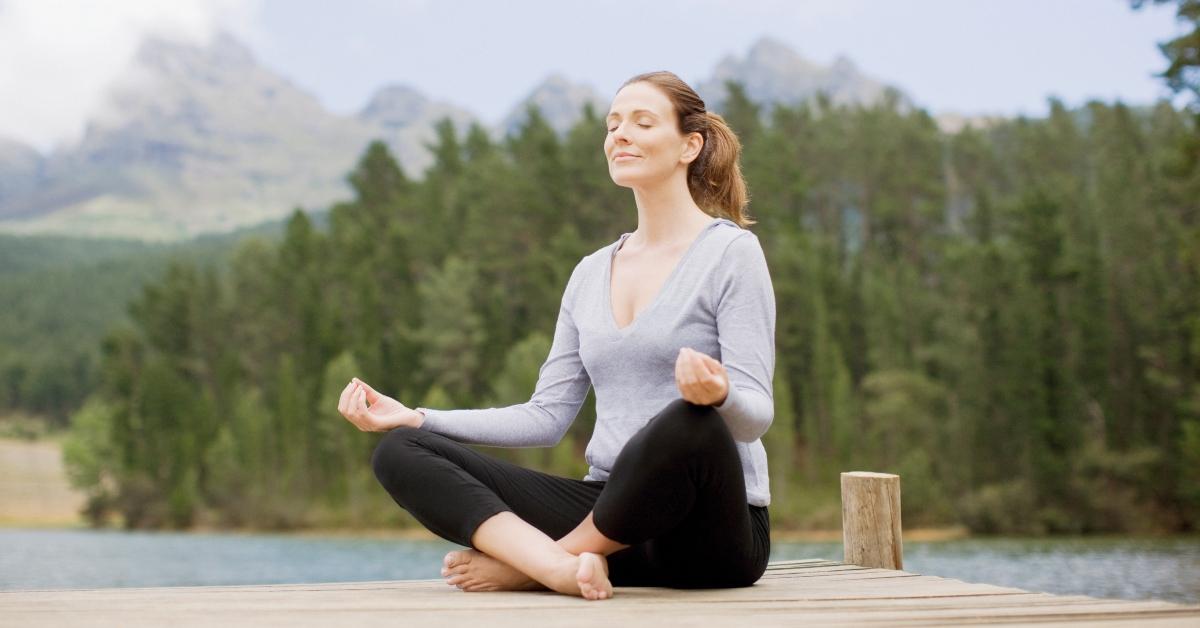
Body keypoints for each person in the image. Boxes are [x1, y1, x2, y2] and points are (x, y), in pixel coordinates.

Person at [336, 70, 776, 601]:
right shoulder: (590, 273)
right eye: (613, 125)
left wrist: (719, 395)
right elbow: (547, 416)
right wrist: (417, 416)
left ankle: (534, 566)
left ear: (690, 144)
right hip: (616, 523)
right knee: (402, 450)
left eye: (642, 122)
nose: (620, 135)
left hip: (710, 537)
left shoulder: (730, 254)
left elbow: (756, 417)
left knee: (689, 421)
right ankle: (559, 565)